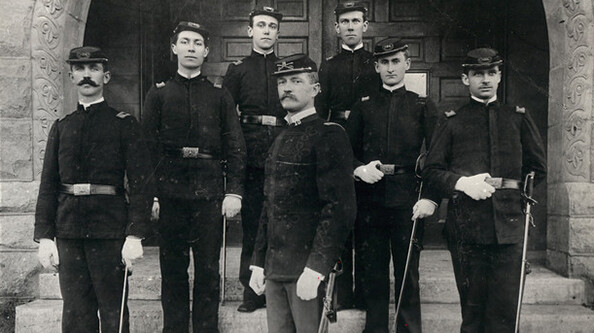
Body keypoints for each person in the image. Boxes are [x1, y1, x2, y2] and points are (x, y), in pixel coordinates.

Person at [422, 48, 547, 332]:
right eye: (478, 74)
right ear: (465, 79)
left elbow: (538, 168)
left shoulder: (517, 118)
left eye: (491, 73)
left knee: (504, 314)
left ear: (500, 76)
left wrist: (516, 197)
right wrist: (463, 184)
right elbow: (432, 172)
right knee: (473, 314)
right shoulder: (452, 121)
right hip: (467, 230)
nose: (486, 79)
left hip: (510, 227)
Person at [34, 46, 155, 333]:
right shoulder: (62, 127)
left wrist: (135, 233)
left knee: (114, 314)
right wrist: (45, 236)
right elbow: (48, 184)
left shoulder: (123, 125)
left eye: (94, 69)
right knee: (76, 315)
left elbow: (141, 183)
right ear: (71, 76)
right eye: (80, 69)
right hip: (69, 232)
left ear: (107, 76)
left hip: (109, 231)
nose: (86, 75)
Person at [141, 22, 246, 333]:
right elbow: (146, 150)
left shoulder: (219, 94)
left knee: (208, 270)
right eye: (184, 42)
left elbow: (235, 144)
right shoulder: (158, 94)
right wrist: (152, 196)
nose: (190, 48)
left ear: (206, 51)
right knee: (172, 269)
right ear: (173, 48)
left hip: (208, 192)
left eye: (197, 43)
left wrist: (234, 191)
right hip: (170, 193)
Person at [249, 53, 357, 333]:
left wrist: (317, 268)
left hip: (306, 270)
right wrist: (258, 263)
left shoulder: (329, 135)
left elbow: (339, 208)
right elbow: (269, 205)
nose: (287, 87)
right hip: (275, 270)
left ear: (315, 89)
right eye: (282, 81)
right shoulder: (280, 136)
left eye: (296, 81)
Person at [345, 38, 439, 333]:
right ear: (376, 67)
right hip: (370, 198)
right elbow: (346, 151)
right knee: (372, 270)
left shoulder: (422, 105)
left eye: (395, 61)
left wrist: (431, 197)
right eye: (384, 62)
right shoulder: (363, 107)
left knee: (407, 270)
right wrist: (359, 169)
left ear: (407, 64)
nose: (390, 68)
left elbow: (438, 155)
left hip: (407, 199)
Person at [316, 1, 379, 309]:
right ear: (336, 27)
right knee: (340, 218)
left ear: (365, 26)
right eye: (345, 21)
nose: (351, 26)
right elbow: (320, 109)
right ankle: (340, 293)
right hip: (339, 140)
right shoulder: (328, 65)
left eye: (356, 21)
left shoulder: (376, 61)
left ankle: (366, 294)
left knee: (367, 220)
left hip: (369, 143)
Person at [223, 5, 284, 313]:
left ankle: (278, 291)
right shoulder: (238, 70)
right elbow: (226, 115)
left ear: (277, 32)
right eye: (260, 25)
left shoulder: (287, 66)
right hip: (249, 154)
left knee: (282, 224)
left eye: (271, 26)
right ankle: (250, 293)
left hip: (284, 152)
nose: (265, 30)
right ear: (250, 31)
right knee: (253, 225)